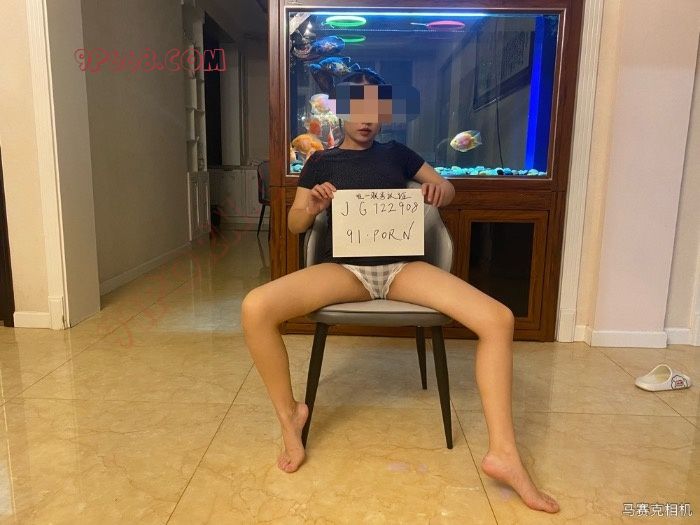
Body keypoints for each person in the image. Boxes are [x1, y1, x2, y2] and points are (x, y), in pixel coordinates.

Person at [241, 74, 560, 514]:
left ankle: (504, 454)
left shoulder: (398, 154)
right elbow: (296, 224)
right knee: (255, 307)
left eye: (376, 110)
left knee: (498, 318)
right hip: (344, 270)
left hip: (403, 268)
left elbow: (447, 188)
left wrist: (440, 189)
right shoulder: (320, 162)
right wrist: (310, 207)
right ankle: (290, 416)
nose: (367, 119)